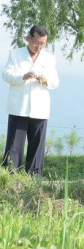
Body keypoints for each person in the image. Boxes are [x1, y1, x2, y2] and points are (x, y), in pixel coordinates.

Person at [2, 25, 59, 175]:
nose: (39, 47)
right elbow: (6, 75)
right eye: (36, 43)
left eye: (43, 44)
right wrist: (23, 77)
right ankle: (9, 177)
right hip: (18, 108)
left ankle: (34, 179)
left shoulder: (49, 58)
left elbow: (55, 82)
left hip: (40, 110)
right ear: (28, 38)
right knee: (14, 146)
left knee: (37, 147)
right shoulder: (15, 54)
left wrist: (46, 80)